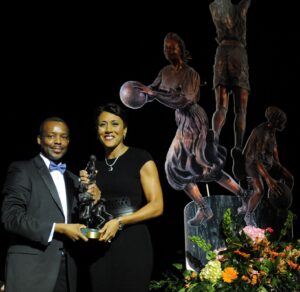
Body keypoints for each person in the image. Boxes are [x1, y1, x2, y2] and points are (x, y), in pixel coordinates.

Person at [120, 32, 247, 226]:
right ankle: (205, 208)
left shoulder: (191, 74)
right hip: (182, 122)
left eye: (172, 47)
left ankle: (243, 195)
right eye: (165, 47)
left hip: (195, 121)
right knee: (177, 168)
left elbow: (184, 100)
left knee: (202, 166)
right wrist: (141, 93)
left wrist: (154, 93)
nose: (169, 50)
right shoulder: (164, 72)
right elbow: (153, 90)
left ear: (181, 48)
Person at [1, 117, 99, 292]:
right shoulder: (22, 169)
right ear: (40, 139)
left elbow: (84, 221)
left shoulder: (73, 179)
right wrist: (57, 228)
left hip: (67, 271)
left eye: (64, 137)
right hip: (31, 270)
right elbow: (11, 218)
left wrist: (95, 198)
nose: (58, 142)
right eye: (52, 136)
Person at [78, 103, 164, 292]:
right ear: (97, 130)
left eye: (115, 124)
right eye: (103, 125)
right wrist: (91, 195)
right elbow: (92, 211)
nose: (108, 130)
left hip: (132, 243)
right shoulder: (93, 166)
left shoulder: (141, 158)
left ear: (124, 130)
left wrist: (120, 221)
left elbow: (157, 205)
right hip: (100, 246)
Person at [209, 0, 251, 179]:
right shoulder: (240, 8)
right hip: (238, 53)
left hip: (221, 53)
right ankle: (238, 147)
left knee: (221, 108)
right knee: (240, 110)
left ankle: (214, 140)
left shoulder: (217, 5)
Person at [242, 106, 294, 226]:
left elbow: (274, 148)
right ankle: (248, 215)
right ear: (274, 121)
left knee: (289, 177)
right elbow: (256, 159)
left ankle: (280, 203)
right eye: (281, 122)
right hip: (252, 163)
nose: (283, 124)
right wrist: (269, 180)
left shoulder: (271, 129)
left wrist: (279, 166)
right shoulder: (262, 132)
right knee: (260, 190)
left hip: (266, 159)